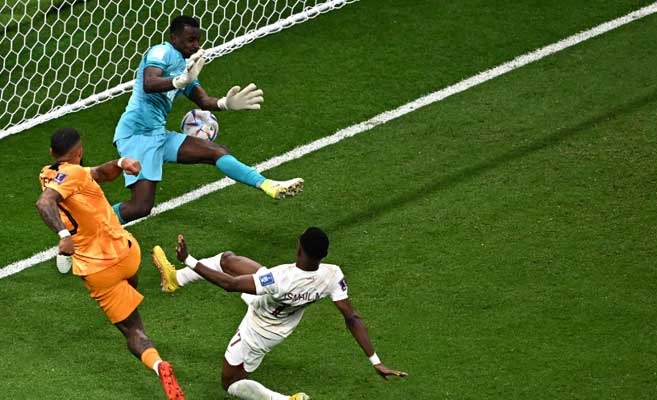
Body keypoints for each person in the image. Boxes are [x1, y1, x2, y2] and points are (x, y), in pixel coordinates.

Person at [152, 227, 408, 400]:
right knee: (228, 260)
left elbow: (230, 285)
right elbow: (351, 317)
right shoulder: (332, 274)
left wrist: (189, 258)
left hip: (258, 329)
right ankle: (175, 279)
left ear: (299, 248)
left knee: (230, 383)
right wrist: (376, 361)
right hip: (278, 318)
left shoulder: (280, 277)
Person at [36, 128, 185, 400]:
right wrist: (120, 162)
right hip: (127, 253)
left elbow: (49, 199)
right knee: (129, 285)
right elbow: (85, 177)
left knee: (133, 330)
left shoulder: (48, 175)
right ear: (79, 153)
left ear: (51, 154)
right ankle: (167, 279)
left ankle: (158, 364)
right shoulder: (76, 173)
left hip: (98, 270)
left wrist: (119, 164)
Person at [112, 15, 303, 224]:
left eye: (198, 40)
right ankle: (80, 225)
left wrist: (225, 103)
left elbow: (202, 99)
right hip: (137, 135)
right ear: (174, 38)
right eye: (190, 40)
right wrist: (180, 81)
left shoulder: (187, 67)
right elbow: (149, 82)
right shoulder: (161, 52)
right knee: (140, 207)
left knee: (217, 152)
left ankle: (267, 184)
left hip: (158, 134)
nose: (196, 46)